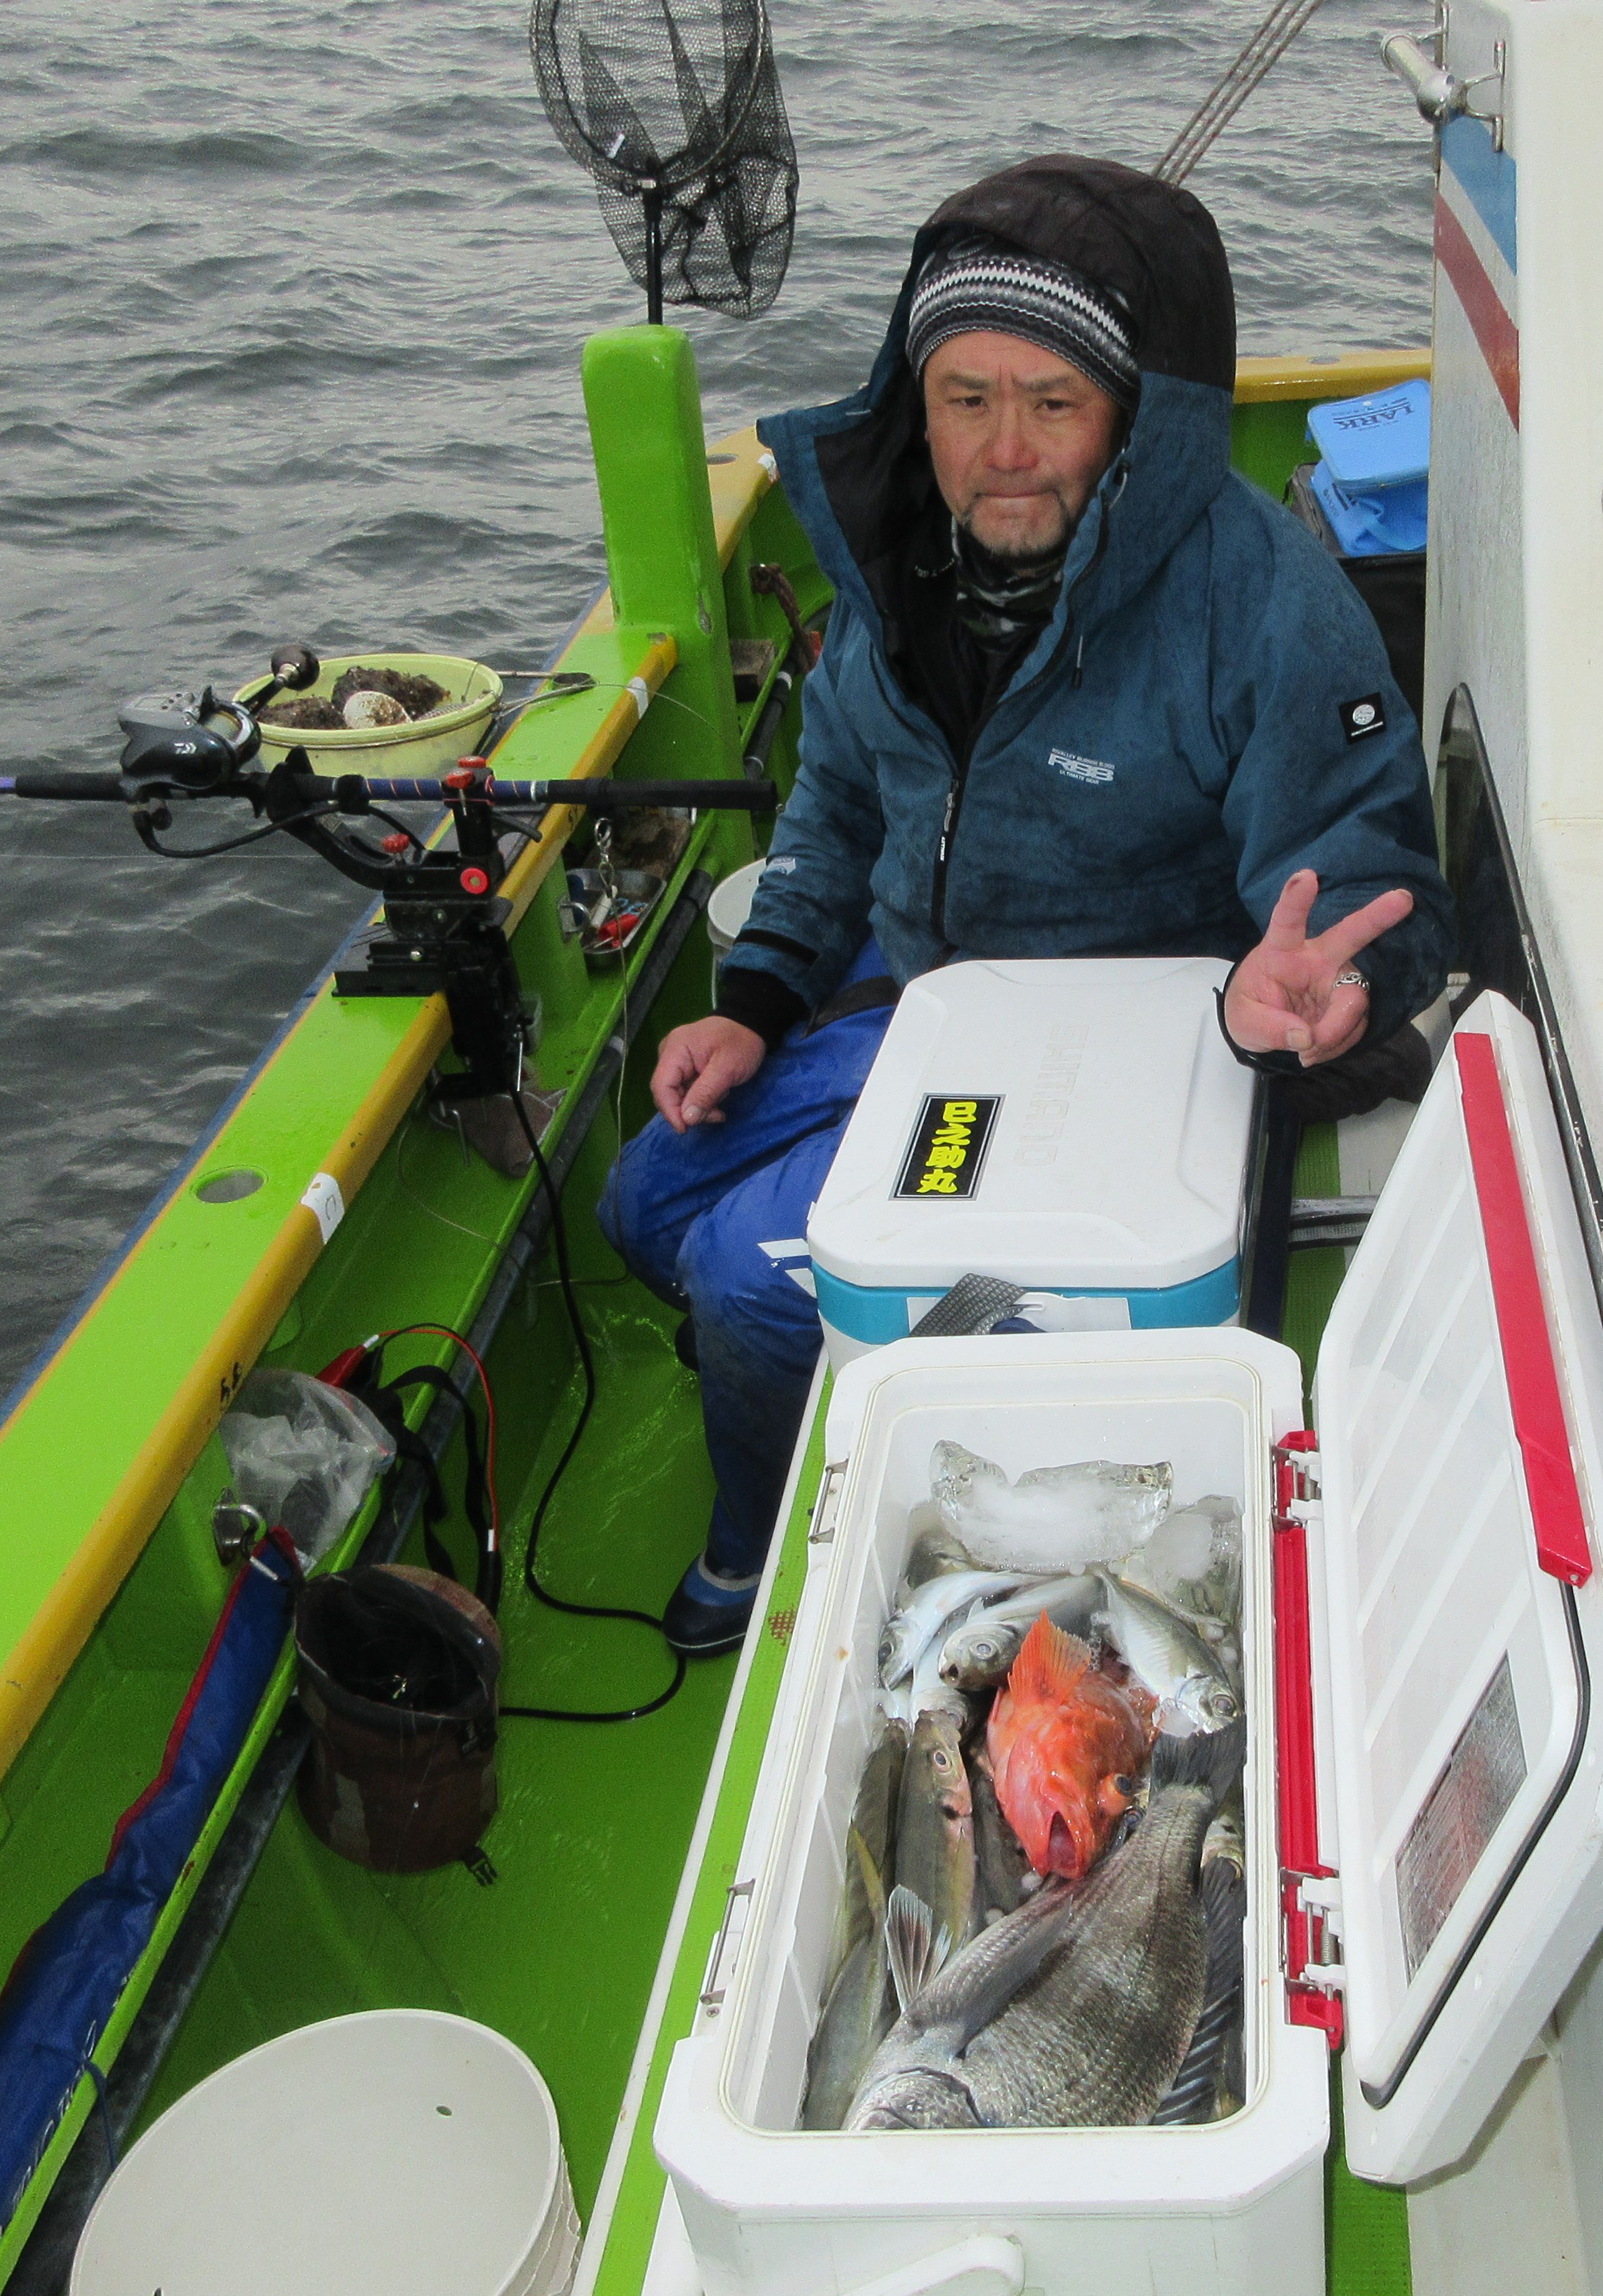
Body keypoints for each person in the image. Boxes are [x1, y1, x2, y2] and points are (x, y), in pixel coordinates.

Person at [598, 154, 1454, 1652]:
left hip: (1152, 1054)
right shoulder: (897, 571)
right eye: (965, 397)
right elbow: (836, 801)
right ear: (914, 402)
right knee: (642, 1200)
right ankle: (868, 1392)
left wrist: (1323, 993)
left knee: (744, 1281)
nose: (1004, 450)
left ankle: (759, 1559)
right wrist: (758, 999)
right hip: (936, 1006)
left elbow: (1374, 882)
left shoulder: (1262, 602)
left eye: (1053, 402)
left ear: (1131, 418)